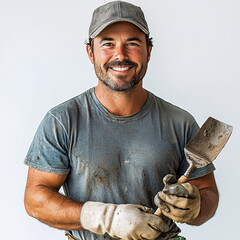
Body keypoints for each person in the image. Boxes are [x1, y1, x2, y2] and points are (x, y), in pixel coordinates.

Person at [24, 1, 219, 240]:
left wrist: (195, 206)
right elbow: (35, 199)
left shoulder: (180, 123)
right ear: (90, 52)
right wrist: (106, 217)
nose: (120, 55)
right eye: (108, 44)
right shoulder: (62, 121)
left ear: (149, 50)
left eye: (133, 43)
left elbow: (208, 193)